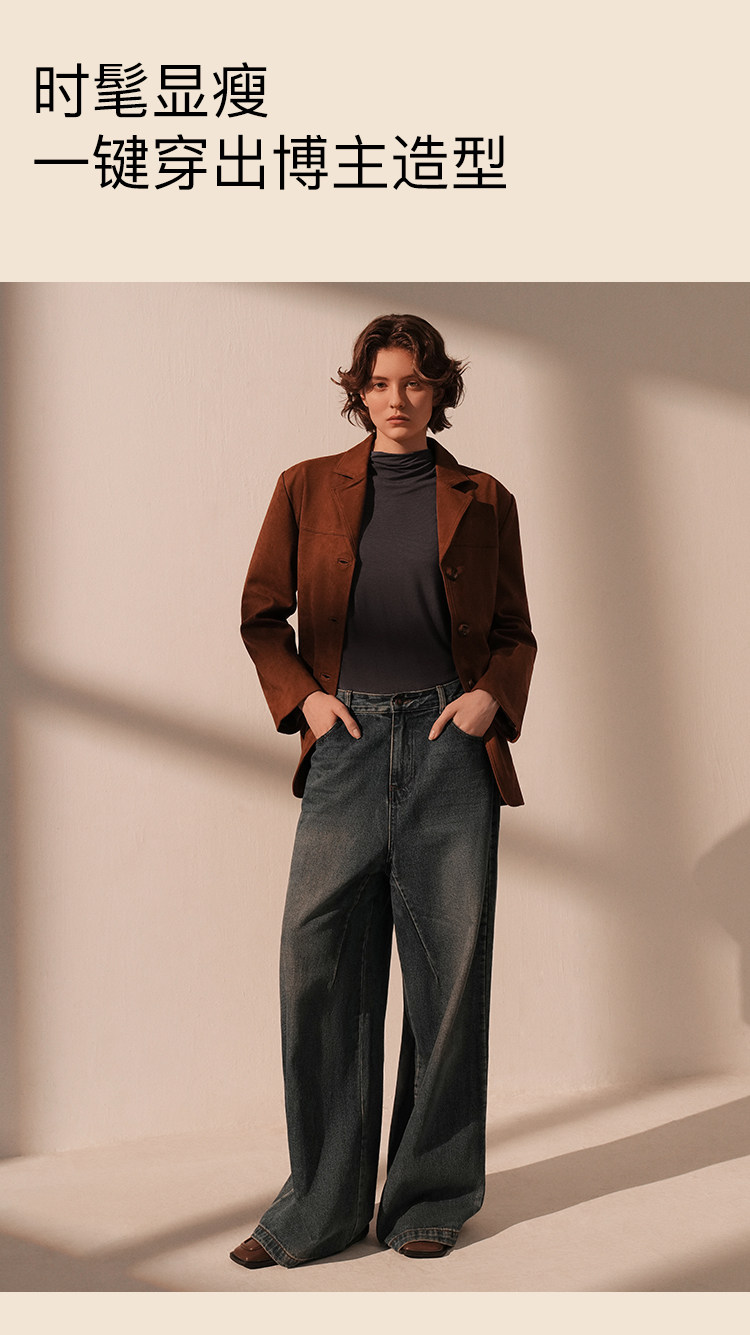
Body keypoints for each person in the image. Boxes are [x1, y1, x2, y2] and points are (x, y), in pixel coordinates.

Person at [232, 313, 536, 1269]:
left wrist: (490, 697)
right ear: (358, 391)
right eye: (379, 382)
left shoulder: (485, 498)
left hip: (451, 745)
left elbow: (515, 630)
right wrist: (307, 700)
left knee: (448, 974)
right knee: (316, 962)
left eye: (414, 382)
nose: (396, 399)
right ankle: (318, 1208)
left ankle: (429, 1196)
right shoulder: (305, 485)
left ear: (439, 390)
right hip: (348, 742)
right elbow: (261, 614)